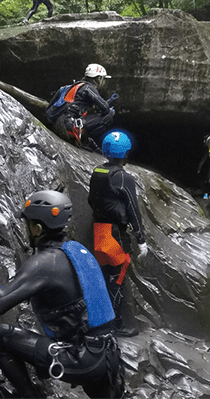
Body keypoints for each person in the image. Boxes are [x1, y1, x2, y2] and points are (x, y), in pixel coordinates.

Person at [0, 190, 124, 399]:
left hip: (81, 358)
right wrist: (12, 290)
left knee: (0, 337)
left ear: (37, 229)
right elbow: (64, 296)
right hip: (107, 356)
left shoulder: (45, 261)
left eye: (28, 224)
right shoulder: (76, 250)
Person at [88, 131, 147, 337]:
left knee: (104, 279)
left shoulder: (98, 172)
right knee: (117, 280)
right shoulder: (123, 177)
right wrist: (141, 238)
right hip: (115, 235)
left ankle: (98, 321)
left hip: (99, 232)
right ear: (125, 154)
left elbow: (90, 201)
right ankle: (115, 325)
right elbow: (132, 208)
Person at [45, 63, 116, 151]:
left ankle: (83, 138)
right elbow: (104, 108)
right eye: (103, 79)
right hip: (69, 127)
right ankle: (83, 140)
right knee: (108, 117)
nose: (104, 82)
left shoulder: (70, 87)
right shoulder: (88, 87)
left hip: (58, 126)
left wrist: (110, 101)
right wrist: (110, 110)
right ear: (99, 78)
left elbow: (48, 109)